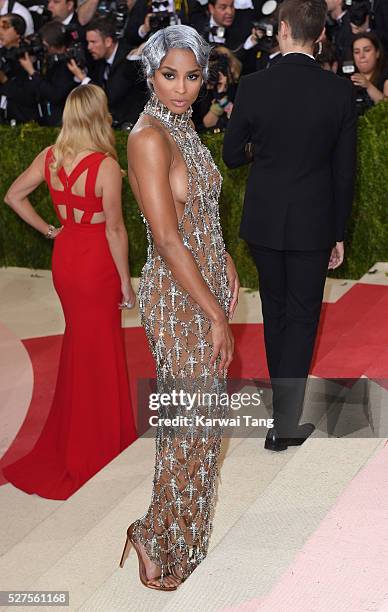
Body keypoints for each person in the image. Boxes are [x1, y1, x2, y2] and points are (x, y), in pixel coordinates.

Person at [120, 25, 239, 590]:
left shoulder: (183, 127)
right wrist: (215, 313)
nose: (183, 88)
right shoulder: (148, 137)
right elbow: (167, 239)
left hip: (206, 282)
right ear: (149, 74)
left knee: (203, 421)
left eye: (193, 77)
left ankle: (173, 533)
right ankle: (157, 535)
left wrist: (227, 263)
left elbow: (202, 212)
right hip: (178, 297)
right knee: (190, 424)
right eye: (170, 75)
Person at [223, 0, 357, 451]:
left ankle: (281, 417)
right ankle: (285, 422)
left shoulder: (255, 86)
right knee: (302, 319)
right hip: (314, 223)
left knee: (274, 314)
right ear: (320, 35)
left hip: (264, 219)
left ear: (282, 29)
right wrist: (338, 232)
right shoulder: (339, 92)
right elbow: (344, 172)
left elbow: (230, 154)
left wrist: (260, 151)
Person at [3, 84, 137, 499]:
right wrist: (125, 279)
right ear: (99, 116)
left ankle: (80, 439)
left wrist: (49, 230)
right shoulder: (106, 167)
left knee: (81, 345)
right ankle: (96, 446)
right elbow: (115, 229)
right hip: (95, 260)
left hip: (66, 257)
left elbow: (13, 195)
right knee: (99, 348)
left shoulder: (51, 157)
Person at [68, 16, 148, 129]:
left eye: (93, 42)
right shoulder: (100, 61)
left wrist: (83, 79)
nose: (89, 47)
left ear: (108, 41)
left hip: (131, 127)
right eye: (88, 42)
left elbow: (109, 97)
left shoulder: (127, 59)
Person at [18, 20, 77, 126]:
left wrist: (32, 72)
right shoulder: (49, 59)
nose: (44, 49)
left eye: (45, 46)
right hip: (46, 117)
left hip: (62, 121)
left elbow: (56, 95)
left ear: (55, 47)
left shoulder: (70, 64)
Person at [0, 14, 39, 123]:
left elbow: (29, 97)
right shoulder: (1, 54)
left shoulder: (28, 58)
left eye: (5, 27)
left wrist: (4, 80)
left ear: (18, 31)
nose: (0, 32)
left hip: (23, 121)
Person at [351, 32, 388, 107]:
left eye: (367, 50)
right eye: (357, 52)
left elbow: (386, 108)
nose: (361, 56)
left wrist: (368, 86)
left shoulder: (386, 79)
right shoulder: (347, 79)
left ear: (377, 53)